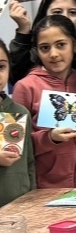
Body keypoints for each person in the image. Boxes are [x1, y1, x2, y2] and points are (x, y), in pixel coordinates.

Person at [12, 15, 76, 188]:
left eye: (61, 45)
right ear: (36, 51)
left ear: (75, 45)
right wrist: (50, 137)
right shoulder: (26, 87)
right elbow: (15, 143)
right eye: (45, 48)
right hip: (46, 187)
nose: (53, 54)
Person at [7, 0, 76, 89]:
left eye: (72, 12)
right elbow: (14, 78)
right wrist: (23, 30)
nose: (65, 17)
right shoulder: (32, 56)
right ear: (44, 16)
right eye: (57, 12)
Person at [0, 39, 35, 207]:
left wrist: (32, 200)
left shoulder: (19, 112)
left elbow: (30, 163)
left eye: (1, 67)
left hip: (19, 206)